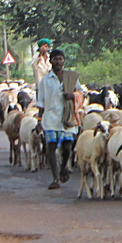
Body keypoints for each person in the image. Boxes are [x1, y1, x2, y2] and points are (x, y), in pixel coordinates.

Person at [36, 49, 81, 190]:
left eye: (60, 59)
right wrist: (39, 120)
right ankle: (55, 178)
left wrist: (73, 96)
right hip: (50, 118)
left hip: (67, 117)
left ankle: (63, 167)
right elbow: (41, 102)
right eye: (55, 59)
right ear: (51, 62)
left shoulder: (72, 78)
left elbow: (80, 93)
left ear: (64, 61)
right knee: (51, 147)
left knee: (68, 145)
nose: (58, 62)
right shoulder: (45, 81)